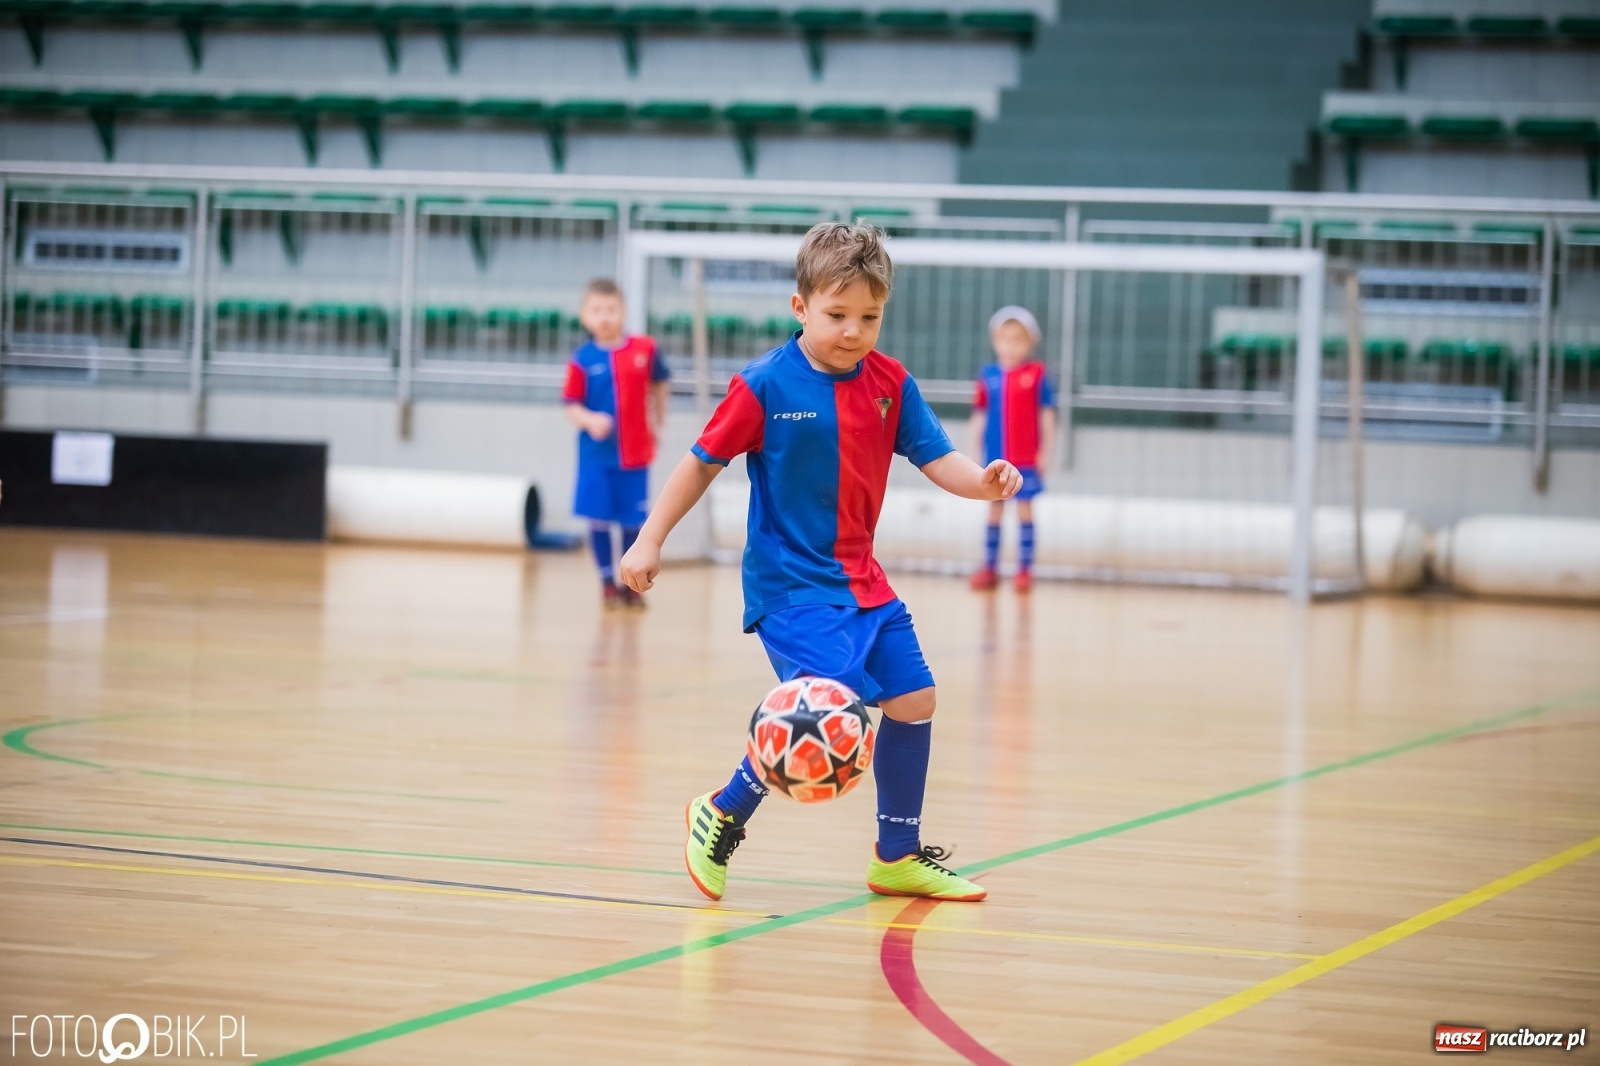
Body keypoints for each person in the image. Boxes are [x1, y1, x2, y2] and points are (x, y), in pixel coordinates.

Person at [618, 222, 1021, 902]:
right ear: (800, 307)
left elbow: (937, 457)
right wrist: (650, 537)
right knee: (830, 701)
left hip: (862, 580)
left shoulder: (891, 383)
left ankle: (897, 856)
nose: (854, 331)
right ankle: (721, 811)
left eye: (870, 316)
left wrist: (983, 482)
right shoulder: (764, 385)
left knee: (914, 698)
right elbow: (700, 463)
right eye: (837, 315)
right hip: (791, 585)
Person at [563, 278, 670, 609]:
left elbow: (660, 383)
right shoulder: (582, 359)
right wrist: (589, 420)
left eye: (611, 309)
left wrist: (659, 419)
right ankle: (607, 584)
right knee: (598, 520)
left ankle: (631, 585)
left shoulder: (645, 349)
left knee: (632, 522)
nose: (604, 317)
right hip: (596, 458)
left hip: (635, 456)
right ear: (585, 316)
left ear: (623, 311)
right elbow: (571, 405)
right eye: (597, 310)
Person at [968, 306, 1055, 593]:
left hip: (1025, 459)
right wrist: (974, 451)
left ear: (1030, 343)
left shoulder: (1036, 374)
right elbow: (980, 415)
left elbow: (1046, 415)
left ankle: (1024, 570)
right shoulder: (988, 376)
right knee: (994, 508)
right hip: (995, 458)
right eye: (1005, 339)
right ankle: (989, 567)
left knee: (1025, 510)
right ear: (995, 341)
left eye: (1018, 339)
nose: (1011, 345)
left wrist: (1046, 451)